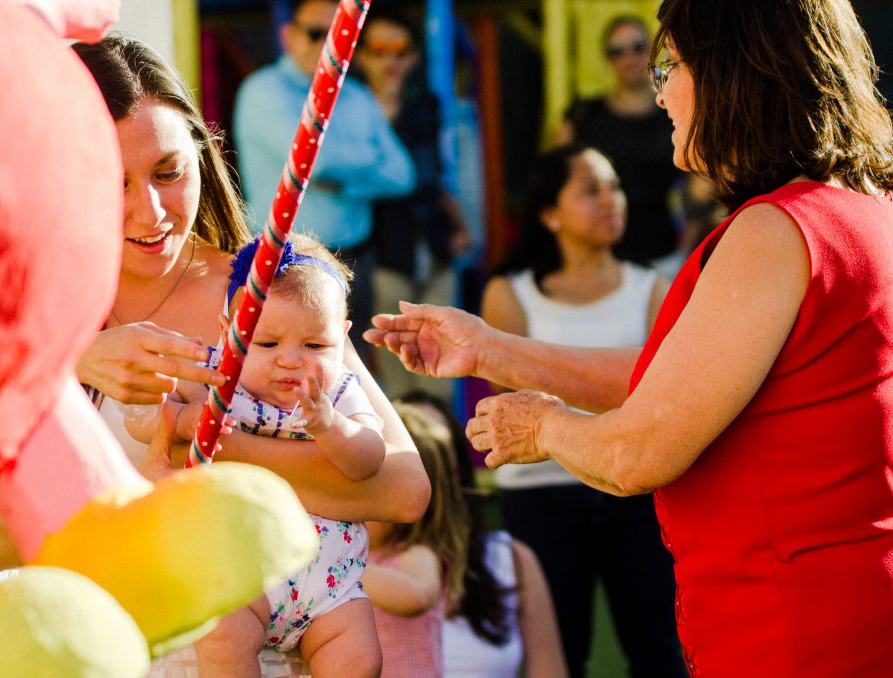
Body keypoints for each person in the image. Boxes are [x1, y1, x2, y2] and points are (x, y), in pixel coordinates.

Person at [367, 0, 893, 674]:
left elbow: (640, 449)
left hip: (790, 626)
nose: (661, 91)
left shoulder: (776, 230)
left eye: (669, 65)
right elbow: (680, 381)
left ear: (735, 72)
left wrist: (544, 428)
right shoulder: (859, 208)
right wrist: (492, 349)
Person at [0, 32, 430, 678]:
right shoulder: (30, 324)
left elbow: (404, 492)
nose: (148, 210)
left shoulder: (269, 297)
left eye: (168, 172)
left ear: (202, 159)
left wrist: (210, 443)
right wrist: (58, 369)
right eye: (112, 180)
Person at [479, 146, 682, 678]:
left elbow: (666, 399)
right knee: (556, 655)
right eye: (589, 189)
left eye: (613, 186)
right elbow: (508, 408)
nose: (610, 200)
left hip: (636, 492)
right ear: (549, 213)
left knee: (660, 647)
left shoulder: (653, 289)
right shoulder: (508, 295)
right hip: (539, 499)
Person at [144, 236, 384, 677]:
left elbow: (369, 461)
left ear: (342, 338)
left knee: (359, 657)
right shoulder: (216, 379)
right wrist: (182, 420)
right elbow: (145, 423)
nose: (290, 362)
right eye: (267, 344)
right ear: (227, 333)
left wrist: (331, 427)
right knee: (222, 638)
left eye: (315, 346)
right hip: (243, 573)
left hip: (330, 589)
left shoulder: (341, 392)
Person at [233, 0, 417, 365]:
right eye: (316, 33)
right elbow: (316, 162)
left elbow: (401, 175)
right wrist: (365, 157)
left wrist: (345, 183)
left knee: (359, 374)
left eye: (338, 34)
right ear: (288, 36)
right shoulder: (262, 90)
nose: (327, 43)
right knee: (287, 378)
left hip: (356, 260)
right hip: (285, 265)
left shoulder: (358, 95)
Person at [395, 391, 568, 678]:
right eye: (408, 449)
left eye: (434, 451)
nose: (424, 468)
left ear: (457, 472)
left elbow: (551, 671)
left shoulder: (511, 560)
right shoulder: (352, 567)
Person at [355, 7, 472, 400]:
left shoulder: (426, 107)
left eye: (400, 49)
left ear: (414, 57)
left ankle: (442, 457)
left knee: (441, 375)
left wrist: (460, 227)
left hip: (434, 251)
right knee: (398, 381)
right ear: (361, 55)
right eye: (379, 48)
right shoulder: (350, 112)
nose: (390, 58)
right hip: (383, 257)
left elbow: (428, 179)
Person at [556, 15, 685, 273]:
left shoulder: (672, 111)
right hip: (598, 257)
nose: (629, 58)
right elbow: (557, 180)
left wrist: (685, 249)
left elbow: (698, 186)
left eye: (637, 47)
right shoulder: (585, 114)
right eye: (617, 51)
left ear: (650, 50)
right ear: (607, 59)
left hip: (662, 254)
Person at [360, 402, 469, 678]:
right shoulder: (350, 553)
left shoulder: (417, 554)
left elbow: (415, 595)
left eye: (368, 492)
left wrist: (337, 570)